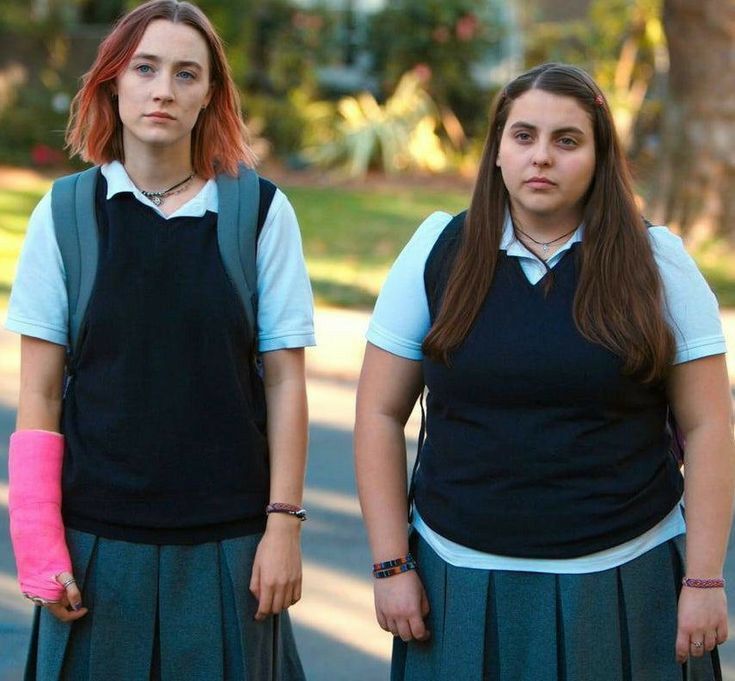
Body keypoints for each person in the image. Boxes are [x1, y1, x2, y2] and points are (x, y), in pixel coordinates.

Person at [354, 62, 734, 680]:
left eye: (567, 140)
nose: (541, 158)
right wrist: (391, 564)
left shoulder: (657, 261)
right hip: (458, 576)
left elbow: (712, 425)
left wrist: (705, 576)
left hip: (623, 575)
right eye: (523, 136)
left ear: (599, 156)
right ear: (498, 151)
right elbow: (377, 411)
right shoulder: (436, 250)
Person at [6, 1, 313, 678]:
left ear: (209, 95)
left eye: (185, 73)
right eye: (145, 67)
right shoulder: (64, 216)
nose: (163, 89)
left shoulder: (257, 213)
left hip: (231, 546)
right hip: (95, 548)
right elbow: (40, 389)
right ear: (114, 80)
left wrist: (283, 524)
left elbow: (285, 379)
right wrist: (38, 543)